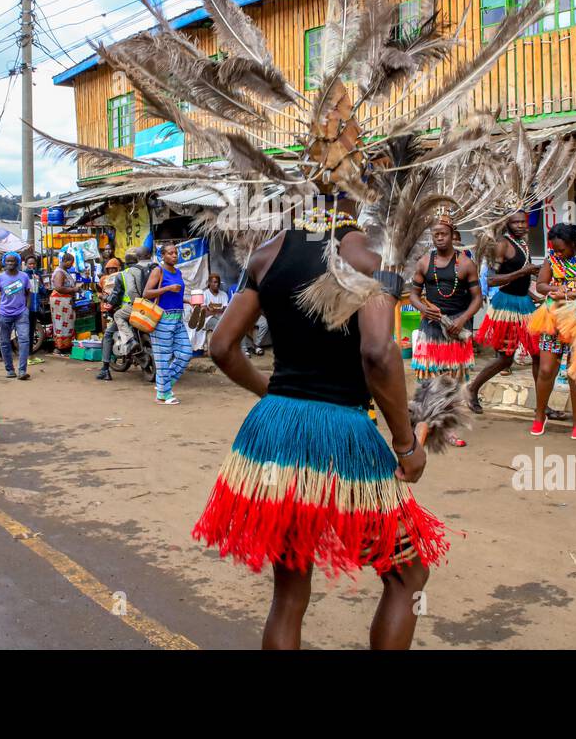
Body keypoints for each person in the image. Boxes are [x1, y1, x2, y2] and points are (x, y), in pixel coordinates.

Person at [194, 200, 445, 649]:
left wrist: (272, 391)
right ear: (358, 190)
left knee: (289, 592)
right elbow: (378, 354)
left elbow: (221, 348)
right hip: (343, 434)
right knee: (408, 575)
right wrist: (406, 445)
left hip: (276, 432)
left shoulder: (267, 255)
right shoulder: (373, 259)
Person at [531, 223, 576, 440]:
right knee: (545, 369)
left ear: (573, 243)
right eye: (555, 249)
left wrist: (569, 294)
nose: (558, 254)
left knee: (575, 370)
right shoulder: (551, 257)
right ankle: (540, 414)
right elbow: (541, 285)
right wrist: (555, 289)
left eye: (562, 249)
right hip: (554, 317)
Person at [468, 211, 542, 414]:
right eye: (515, 222)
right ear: (507, 224)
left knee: (537, 354)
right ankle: (472, 389)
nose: (520, 225)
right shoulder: (502, 244)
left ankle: (541, 406)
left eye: (523, 222)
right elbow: (491, 280)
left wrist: (535, 298)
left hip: (524, 304)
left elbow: (520, 280)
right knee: (505, 358)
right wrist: (523, 272)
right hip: (506, 307)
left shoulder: (523, 243)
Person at [409, 218, 482, 393]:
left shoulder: (466, 264)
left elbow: (477, 299)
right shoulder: (424, 262)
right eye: (436, 235)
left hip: (456, 327)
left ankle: (449, 416)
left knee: (453, 383)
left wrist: (462, 319)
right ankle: (428, 416)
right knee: (428, 382)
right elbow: (413, 295)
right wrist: (423, 308)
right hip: (431, 327)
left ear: (452, 236)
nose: (440, 238)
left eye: (444, 234)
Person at [143, 243, 193, 404]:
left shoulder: (177, 272)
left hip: (177, 318)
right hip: (162, 319)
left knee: (186, 353)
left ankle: (163, 385)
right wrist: (167, 288)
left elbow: (175, 296)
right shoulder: (158, 271)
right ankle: (164, 395)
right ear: (162, 256)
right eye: (170, 253)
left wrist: (189, 301)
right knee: (163, 358)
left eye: (175, 253)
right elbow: (146, 293)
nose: (174, 255)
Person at [97, 249, 141, 381]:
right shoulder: (147, 270)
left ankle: (105, 369)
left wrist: (107, 300)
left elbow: (115, 295)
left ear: (124, 265)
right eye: (109, 269)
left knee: (108, 334)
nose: (111, 271)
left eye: (113, 269)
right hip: (146, 308)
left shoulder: (122, 275)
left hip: (128, 309)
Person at [0, 252, 33, 380]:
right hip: (4, 314)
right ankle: (9, 369)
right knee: (4, 342)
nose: (10, 263)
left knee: (24, 340)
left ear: (18, 262)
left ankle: (22, 370)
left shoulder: (24, 276)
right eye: (8, 261)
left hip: (21, 314)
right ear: (4, 262)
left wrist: (26, 309)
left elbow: (28, 293)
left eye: (13, 261)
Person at [189, 273, 229, 355]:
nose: (216, 284)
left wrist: (212, 310)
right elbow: (205, 313)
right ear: (209, 283)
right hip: (208, 320)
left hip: (221, 318)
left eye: (217, 282)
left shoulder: (223, 294)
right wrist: (217, 311)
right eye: (214, 282)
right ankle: (219, 350)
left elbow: (226, 311)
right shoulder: (204, 294)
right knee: (219, 326)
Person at [49, 253, 78, 357]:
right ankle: (60, 347)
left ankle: (65, 347)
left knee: (66, 324)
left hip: (64, 301)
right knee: (61, 324)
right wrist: (73, 289)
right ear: (66, 260)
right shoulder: (60, 273)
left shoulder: (64, 271)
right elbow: (59, 287)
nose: (72, 264)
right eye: (71, 262)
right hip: (60, 302)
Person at [23, 256, 46, 355]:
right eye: (30, 264)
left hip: (35, 307)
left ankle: (30, 352)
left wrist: (39, 282)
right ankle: (25, 352)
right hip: (26, 307)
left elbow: (43, 291)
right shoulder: (24, 276)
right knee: (25, 331)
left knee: (32, 330)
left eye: (33, 264)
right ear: (26, 265)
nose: (32, 266)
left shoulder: (37, 275)